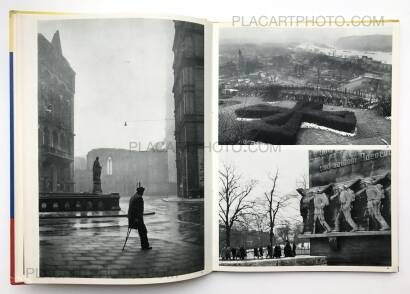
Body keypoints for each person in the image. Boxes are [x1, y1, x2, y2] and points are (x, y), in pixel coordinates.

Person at [127, 183, 151, 250]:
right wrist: (137, 219)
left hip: (132, 218)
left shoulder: (133, 196)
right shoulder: (139, 198)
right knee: (143, 231)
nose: (143, 193)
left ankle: (144, 245)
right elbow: (138, 210)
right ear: (141, 192)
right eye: (143, 192)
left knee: (142, 231)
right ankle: (145, 246)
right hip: (137, 219)